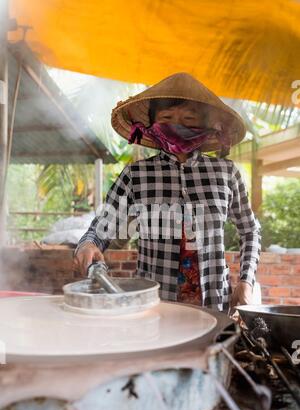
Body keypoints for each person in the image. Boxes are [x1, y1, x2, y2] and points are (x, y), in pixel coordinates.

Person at [74, 73, 261, 312]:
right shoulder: (135, 174)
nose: (177, 125)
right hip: (153, 304)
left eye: (188, 118)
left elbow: (250, 231)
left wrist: (246, 281)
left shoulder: (226, 173)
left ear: (203, 125)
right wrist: (87, 245)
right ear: (152, 126)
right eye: (167, 118)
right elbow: (100, 230)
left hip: (215, 304)